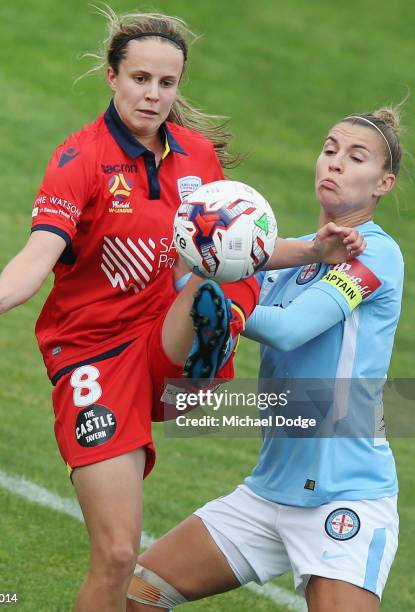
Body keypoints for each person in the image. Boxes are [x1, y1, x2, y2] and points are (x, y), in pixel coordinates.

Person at [0, 8, 364, 612]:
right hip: (94, 357)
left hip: (165, 342)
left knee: (205, 276)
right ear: (113, 77)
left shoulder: (197, 157)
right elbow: (42, 248)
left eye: (166, 84)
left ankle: (209, 336)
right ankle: (209, 330)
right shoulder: (80, 160)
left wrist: (312, 248)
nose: (153, 95)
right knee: (119, 556)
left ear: (179, 85)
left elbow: (239, 245)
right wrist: (2, 295)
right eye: (140, 79)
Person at [126, 107, 404, 612]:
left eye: (355, 157)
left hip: (344, 497)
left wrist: (226, 309)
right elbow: (196, 295)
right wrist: (198, 269)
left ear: (383, 182)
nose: (335, 163)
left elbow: (291, 330)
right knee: (141, 592)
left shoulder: (377, 255)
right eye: (330, 149)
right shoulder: (285, 258)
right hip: (269, 493)